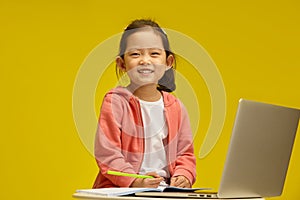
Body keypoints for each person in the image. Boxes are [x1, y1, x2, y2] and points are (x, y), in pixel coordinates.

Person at [93, 19, 196, 189]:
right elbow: (107, 154)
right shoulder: (115, 101)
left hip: (165, 190)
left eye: (154, 54)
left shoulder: (176, 107)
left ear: (168, 62)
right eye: (135, 54)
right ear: (122, 64)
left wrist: (184, 175)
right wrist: (135, 180)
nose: (145, 60)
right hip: (123, 191)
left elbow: (185, 154)